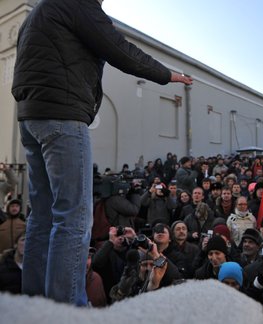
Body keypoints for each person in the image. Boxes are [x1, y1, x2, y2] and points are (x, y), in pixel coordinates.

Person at [12, 0, 193, 306]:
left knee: (42, 216)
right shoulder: (78, 4)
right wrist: (167, 75)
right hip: (63, 117)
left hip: (31, 118)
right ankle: (64, 310)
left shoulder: (41, 11)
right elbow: (121, 50)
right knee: (72, 218)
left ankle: (34, 302)